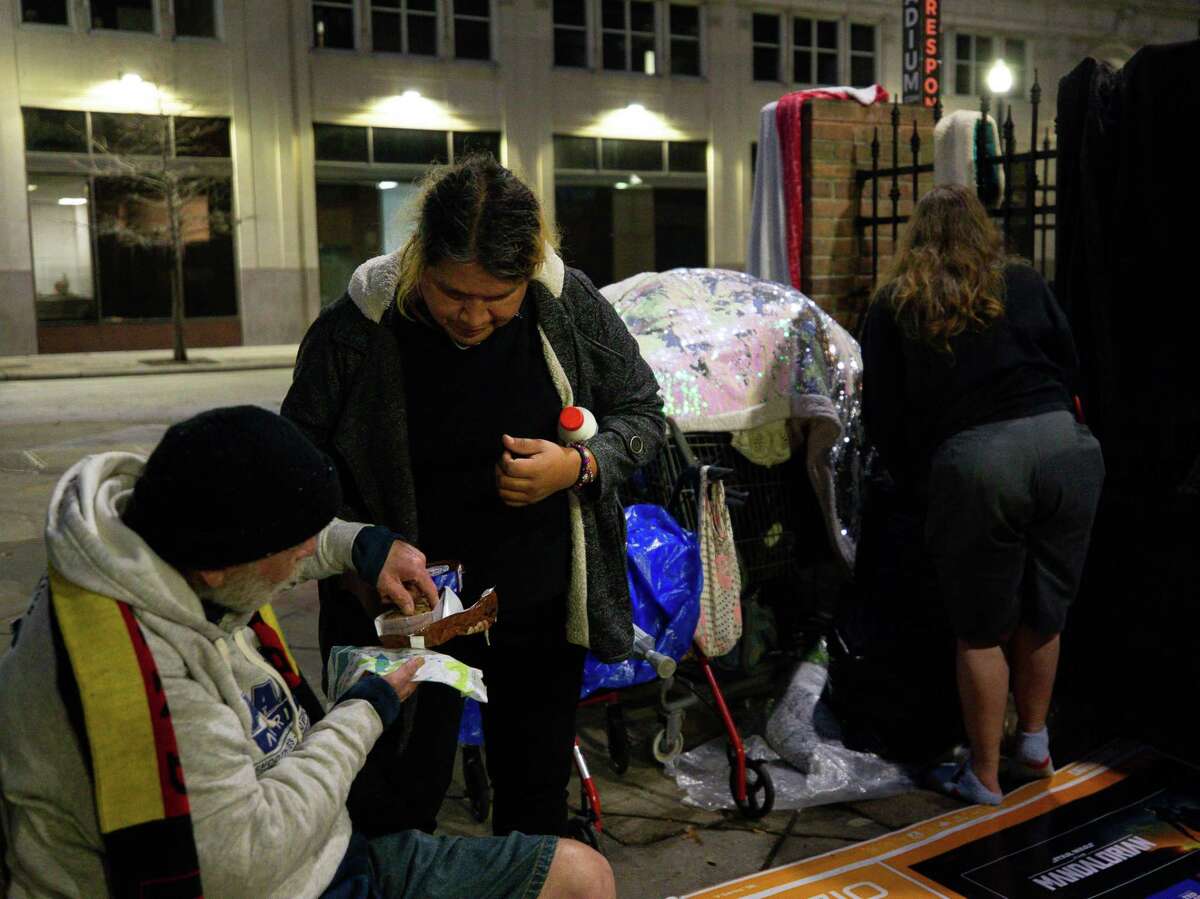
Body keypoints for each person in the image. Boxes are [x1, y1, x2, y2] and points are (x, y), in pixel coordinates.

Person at [0, 405, 614, 899]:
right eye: (294, 551)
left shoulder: (155, 544)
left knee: (583, 876)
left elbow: (292, 540)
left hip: (323, 850)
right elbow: (245, 864)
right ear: (219, 566)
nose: (304, 562)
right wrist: (366, 709)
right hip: (275, 877)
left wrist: (364, 546)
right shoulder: (140, 685)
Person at [282, 154, 665, 838]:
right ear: (420, 261)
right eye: (453, 292)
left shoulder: (566, 301)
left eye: (498, 297)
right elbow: (295, 462)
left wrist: (575, 466)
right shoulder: (360, 326)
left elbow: (643, 413)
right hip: (407, 611)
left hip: (536, 609)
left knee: (535, 804)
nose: (474, 316)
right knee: (392, 802)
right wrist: (357, 553)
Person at [860, 185, 1105, 805]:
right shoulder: (1021, 281)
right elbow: (1071, 363)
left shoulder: (898, 299)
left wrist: (919, 482)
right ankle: (1035, 742)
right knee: (1044, 609)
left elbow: (882, 412)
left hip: (980, 460)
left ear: (915, 234)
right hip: (1066, 448)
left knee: (980, 627)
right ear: (983, 229)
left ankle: (984, 775)